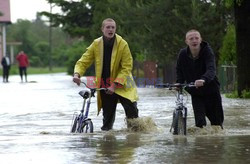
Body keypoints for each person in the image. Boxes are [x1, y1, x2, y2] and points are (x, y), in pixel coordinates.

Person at [73, 18, 139, 131]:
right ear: (102, 29)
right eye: (108, 27)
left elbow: (127, 67)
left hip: (123, 83)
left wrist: (114, 85)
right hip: (105, 84)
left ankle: (134, 140)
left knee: (132, 113)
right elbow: (84, 60)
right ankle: (107, 143)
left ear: (115, 29)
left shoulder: (123, 44)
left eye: (113, 27)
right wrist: (77, 74)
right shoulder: (96, 44)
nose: (110, 29)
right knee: (107, 119)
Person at [176, 29, 224, 129]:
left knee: (217, 124)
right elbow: (179, 70)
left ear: (200, 40)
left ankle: (217, 142)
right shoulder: (182, 54)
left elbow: (211, 69)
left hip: (211, 91)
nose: (194, 41)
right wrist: (179, 83)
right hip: (196, 92)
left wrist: (204, 79)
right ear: (186, 41)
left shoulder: (207, 51)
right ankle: (200, 143)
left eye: (196, 38)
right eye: (191, 39)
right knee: (200, 124)